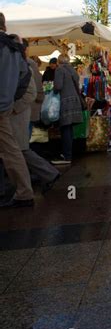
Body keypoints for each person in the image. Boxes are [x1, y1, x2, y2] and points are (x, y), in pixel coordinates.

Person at [2, 41, 60, 206]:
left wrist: (12, 109)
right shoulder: (23, 63)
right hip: (18, 113)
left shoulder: (25, 65)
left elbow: (32, 92)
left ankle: (45, 176)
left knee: (21, 149)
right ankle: (45, 175)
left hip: (18, 114)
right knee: (21, 149)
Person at [0, 13, 35, 207]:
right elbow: (25, 76)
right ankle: (23, 191)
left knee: (10, 149)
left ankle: (24, 191)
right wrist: (11, 97)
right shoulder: (14, 47)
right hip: (5, 104)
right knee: (10, 148)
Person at [51, 54, 83, 165]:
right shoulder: (72, 70)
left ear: (59, 61)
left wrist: (53, 89)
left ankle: (67, 156)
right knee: (69, 129)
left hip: (66, 102)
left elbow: (58, 86)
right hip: (75, 101)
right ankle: (68, 153)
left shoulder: (60, 70)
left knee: (65, 129)